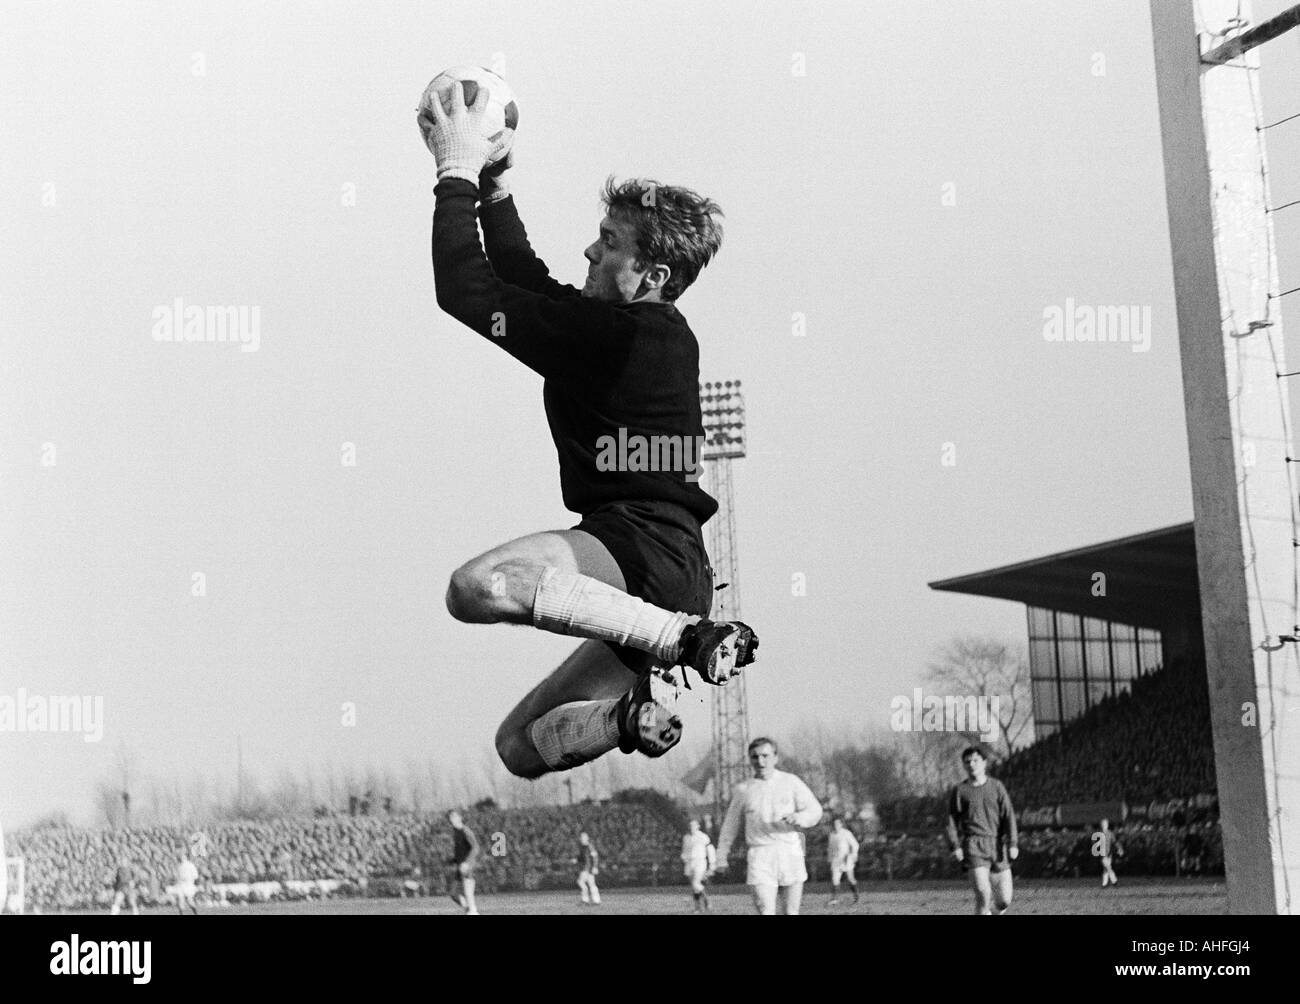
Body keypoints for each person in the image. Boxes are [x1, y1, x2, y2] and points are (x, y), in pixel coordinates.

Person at [416, 84, 758, 781]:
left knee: (479, 586)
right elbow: (525, 278)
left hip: (644, 550)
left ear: (651, 274)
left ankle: (683, 639)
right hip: (666, 571)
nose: (590, 251)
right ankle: (626, 717)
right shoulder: (637, 329)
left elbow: (466, 292)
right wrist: (496, 187)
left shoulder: (616, 336)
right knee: (519, 748)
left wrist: (454, 174)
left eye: (608, 245)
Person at [714, 737, 823, 915]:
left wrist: (799, 817)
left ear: (775, 757)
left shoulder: (791, 782)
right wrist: (721, 856)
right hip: (760, 853)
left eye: (765, 755)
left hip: (789, 850)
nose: (760, 761)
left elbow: (815, 810)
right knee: (765, 910)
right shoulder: (744, 789)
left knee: (790, 912)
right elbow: (730, 826)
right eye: (755, 757)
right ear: (750, 759)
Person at [945, 746, 1018, 916]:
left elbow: (1009, 816)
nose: (972, 764)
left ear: (984, 763)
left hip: (997, 845)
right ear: (964, 766)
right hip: (973, 846)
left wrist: (1013, 843)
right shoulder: (959, 791)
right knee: (983, 896)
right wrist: (955, 846)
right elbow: (951, 821)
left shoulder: (997, 787)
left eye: (975, 760)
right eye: (967, 762)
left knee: (1004, 901)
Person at [446, 810, 480, 916]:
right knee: (453, 893)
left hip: (467, 865)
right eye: (451, 817)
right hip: (460, 865)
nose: (452, 819)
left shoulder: (465, 831)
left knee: (468, 889)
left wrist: (467, 863)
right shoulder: (455, 832)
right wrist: (453, 860)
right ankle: (469, 909)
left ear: (460, 817)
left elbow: (475, 847)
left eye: (455, 816)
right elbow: (461, 850)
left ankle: (473, 911)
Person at [681, 818, 716, 913]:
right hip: (689, 863)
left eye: (693, 825)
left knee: (696, 883)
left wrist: (712, 865)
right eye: (690, 825)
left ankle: (707, 901)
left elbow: (710, 850)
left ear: (698, 826)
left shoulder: (703, 837)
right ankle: (698, 907)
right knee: (694, 886)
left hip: (700, 862)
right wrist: (684, 857)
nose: (691, 827)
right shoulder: (686, 837)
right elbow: (684, 850)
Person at [827, 817, 860, 906]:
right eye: (834, 824)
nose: (835, 826)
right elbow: (830, 848)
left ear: (841, 824)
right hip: (836, 860)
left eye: (837, 824)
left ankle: (856, 897)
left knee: (850, 879)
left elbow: (855, 844)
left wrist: (854, 855)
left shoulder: (846, 833)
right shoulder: (832, 834)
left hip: (846, 859)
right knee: (835, 879)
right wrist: (830, 859)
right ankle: (834, 899)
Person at [1096, 817, 1122, 888]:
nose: (1104, 825)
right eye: (1102, 824)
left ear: (1107, 825)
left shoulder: (1110, 833)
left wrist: (1119, 849)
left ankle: (1104, 884)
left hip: (1109, 854)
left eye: (1105, 824)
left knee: (1106, 869)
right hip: (1103, 854)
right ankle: (1114, 881)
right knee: (1108, 867)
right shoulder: (1099, 834)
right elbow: (1096, 844)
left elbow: (1115, 842)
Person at [576, 832, 601, 905]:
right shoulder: (582, 847)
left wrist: (595, 867)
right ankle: (596, 901)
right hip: (586, 868)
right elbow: (582, 858)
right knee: (591, 884)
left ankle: (585, 900)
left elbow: (595, 857)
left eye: (583, 837)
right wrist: (576, 860)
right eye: (581, 837)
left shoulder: (590, 846)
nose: (581, 839)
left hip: (587, 868)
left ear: (587, 838)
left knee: (580, 882)